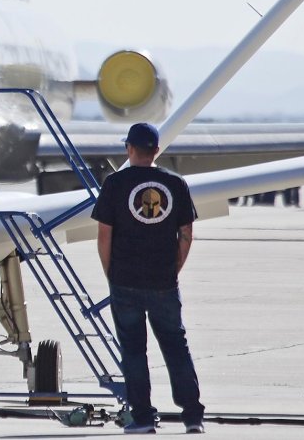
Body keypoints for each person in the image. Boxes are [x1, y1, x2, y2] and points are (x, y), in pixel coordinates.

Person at [91, 122, 205, 434]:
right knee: (175, 346)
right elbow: (186, 234)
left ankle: (142, 417)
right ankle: (192, 416)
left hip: (124, 279)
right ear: (156, 150)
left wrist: (111, 273)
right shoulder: (175, 183)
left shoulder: (115, 183)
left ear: (129, 149)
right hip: (163, 281)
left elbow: (104, 235)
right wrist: (173, 269)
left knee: (133, 350)